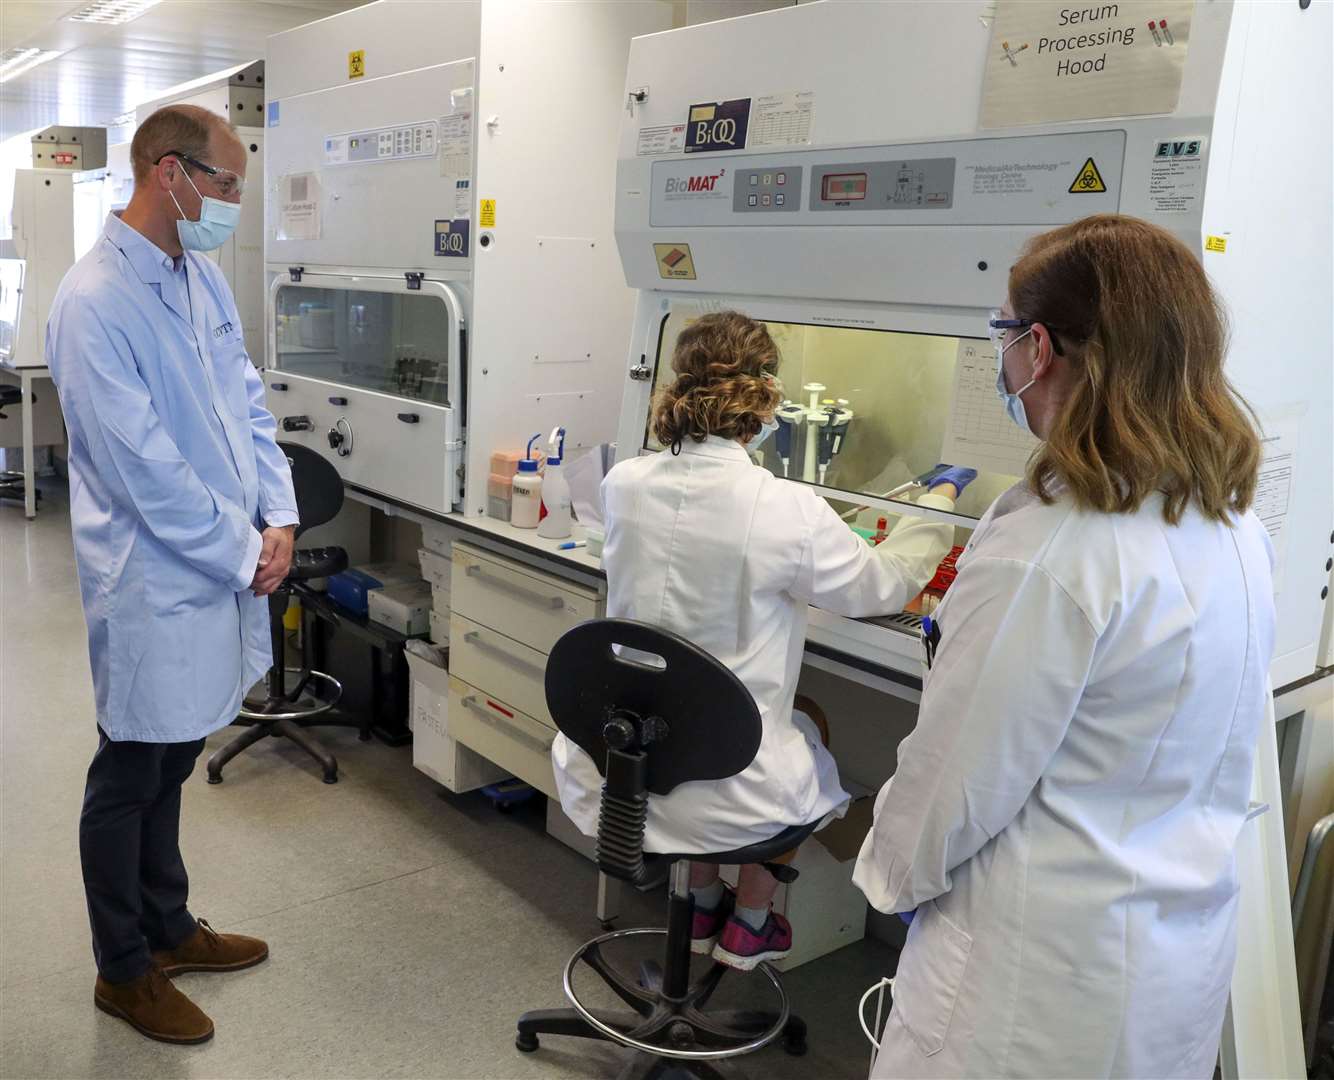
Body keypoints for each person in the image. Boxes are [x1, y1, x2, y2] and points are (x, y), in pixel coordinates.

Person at [853, 215, 1275, 1078]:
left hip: (1026, 993)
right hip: (1167, 975)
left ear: (1036, 348)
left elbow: (953, 783)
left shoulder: (1053, 545)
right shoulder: (1231, 524)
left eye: (1003, 337)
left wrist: (887, 880)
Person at [552, 311, 975, 970]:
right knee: (807, 722)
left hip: (619, 769)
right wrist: (940, 504)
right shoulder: (785, 508)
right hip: (730, 801)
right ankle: (752, 917)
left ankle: (696, 903)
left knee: (697, 720)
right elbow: (881, 585)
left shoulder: (624, 483)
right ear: (765, 396)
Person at [45, 105, 298, 1045]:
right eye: (225, 184)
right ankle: (123, 969)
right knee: (131, 768)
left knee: (177, 754)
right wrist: (243, 551)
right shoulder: (93, 301)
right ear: (169, 174)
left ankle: (168, 925)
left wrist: (278, 517)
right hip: (153, 578)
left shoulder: (201, 279)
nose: (234, 202)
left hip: (224, 560)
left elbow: (247, 403)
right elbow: (140, 467)